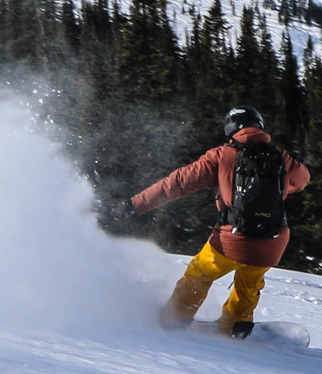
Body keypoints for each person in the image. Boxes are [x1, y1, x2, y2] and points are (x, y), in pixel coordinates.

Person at [121, 106, 309, 337]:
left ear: (231, 128)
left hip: (233, 238)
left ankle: (175, 318)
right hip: (272, 239)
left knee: (200, 273)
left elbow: (178, 183)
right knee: (249, 283)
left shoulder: (223, 155)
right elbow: (302, 180)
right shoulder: (282, 157)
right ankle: (236, 326)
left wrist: (135, 205)